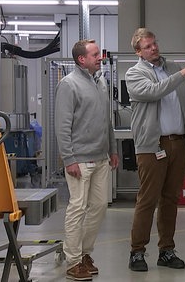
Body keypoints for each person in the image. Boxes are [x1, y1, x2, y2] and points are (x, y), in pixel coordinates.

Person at [125, 28, 185, 272]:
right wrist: (184, 73)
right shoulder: (135, 73)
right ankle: (137, 252)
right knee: (148, 200)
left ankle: (166, 251)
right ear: (138, 51)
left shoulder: (172, 68)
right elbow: (153, 92)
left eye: (155, 44)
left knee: (171, 199)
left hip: (178, 143)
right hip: (152, 145)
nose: (154, 48)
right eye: (147, 46)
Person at [55, 39, 120, 281]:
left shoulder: (100, 82)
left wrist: (112, 149)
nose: (99, 57)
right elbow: (62, 126)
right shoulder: (68, 85)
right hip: (79, 160)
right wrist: (69, 158)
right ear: (82, 59)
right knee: (77, 208)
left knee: (99, 207)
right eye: (94, 54)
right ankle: (73, 261)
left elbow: (107, 120)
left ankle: (84, 253)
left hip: (101, 157)